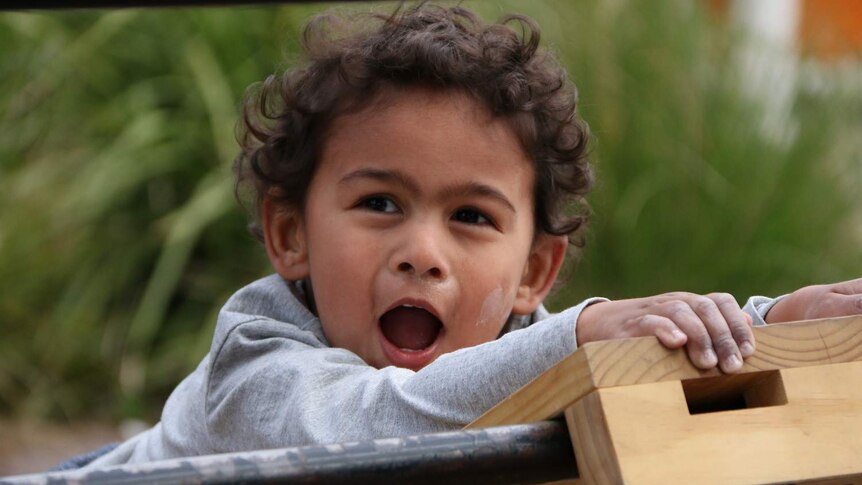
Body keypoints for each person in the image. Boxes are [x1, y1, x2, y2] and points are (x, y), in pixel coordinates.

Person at [78, 3, 861, 469]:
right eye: (381, 202)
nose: (423, 250)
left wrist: (764, 327)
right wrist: (587, 335)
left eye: (472, 217)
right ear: (290, 234)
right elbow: (378, 420)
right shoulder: (254, 367)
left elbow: (648, 369)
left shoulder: (522, 340)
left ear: (534, 271)